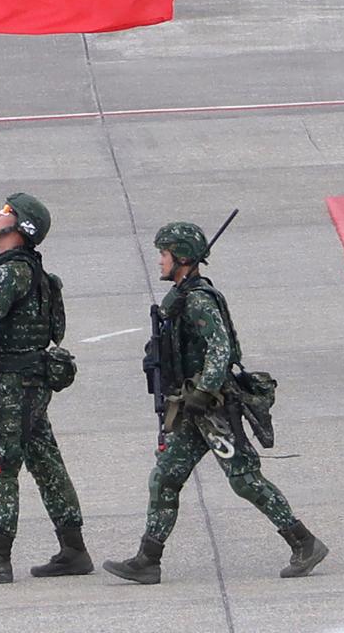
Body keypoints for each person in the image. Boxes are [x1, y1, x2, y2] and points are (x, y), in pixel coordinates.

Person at [104, 222, 327, 583]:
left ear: (183, 258)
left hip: (212, 407)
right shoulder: (181, 296)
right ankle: (148, 559)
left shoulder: (197, 300)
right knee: (165, 477)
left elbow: (220, 350)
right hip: (192, 407)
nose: (159, 261)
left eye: (164, 254)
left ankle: (304, 543)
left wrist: (203, 391)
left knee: (245, 480)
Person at [0, 193, 90, 583]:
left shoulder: (10, 274)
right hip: (31, 382)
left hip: (13, 383)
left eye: (7, 212)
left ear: (19, 228)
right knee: (44, 459)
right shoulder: (22, 266)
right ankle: (73, 548)